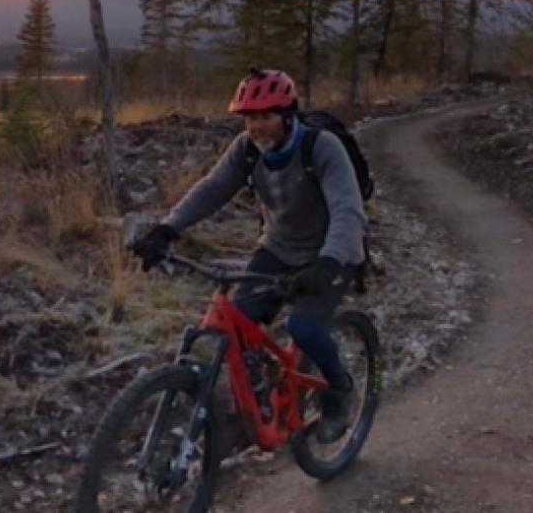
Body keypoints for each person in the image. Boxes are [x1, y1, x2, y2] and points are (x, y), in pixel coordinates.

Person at [131, 68, 366, 443]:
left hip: (331, 254)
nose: (257, 127)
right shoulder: (246, 150)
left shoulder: (321, 147)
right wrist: (167, 228)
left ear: (288, 116)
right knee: (234, 324)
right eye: (250, 118)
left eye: (266, 117)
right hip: (277, 248)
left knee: (303, 328)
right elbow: (212, 189)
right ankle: (258, 398)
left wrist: (329, 262)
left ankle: (340, 392)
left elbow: (347, 209)